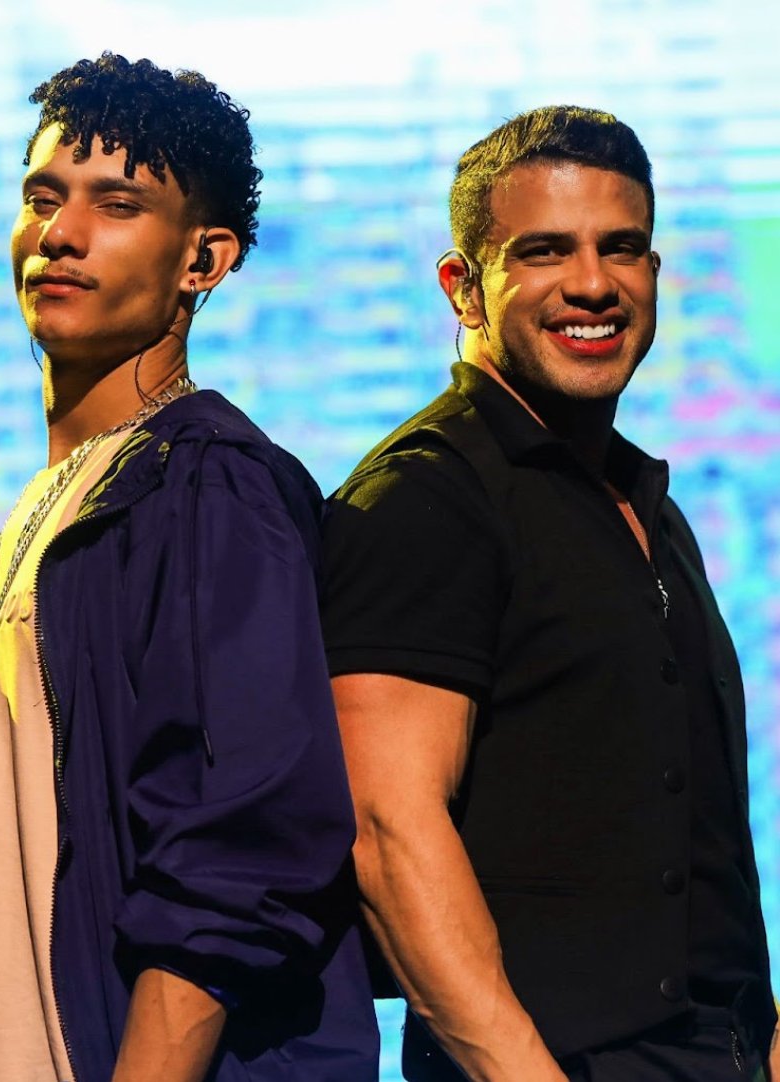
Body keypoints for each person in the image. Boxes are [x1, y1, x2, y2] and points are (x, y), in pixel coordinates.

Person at [0, 53, 378, 1082]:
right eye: (43, 197)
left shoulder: (209, 485)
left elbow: (243, 850)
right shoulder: (28, 527)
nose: (62, 232)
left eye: (118, 204)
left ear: (203, 259)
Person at [321, 105, 778, 1081]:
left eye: (622, 248)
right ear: (464, 287)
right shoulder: (425, 496)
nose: (593, 283)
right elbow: (388, 831)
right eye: (545, 250)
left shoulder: (648, 506)